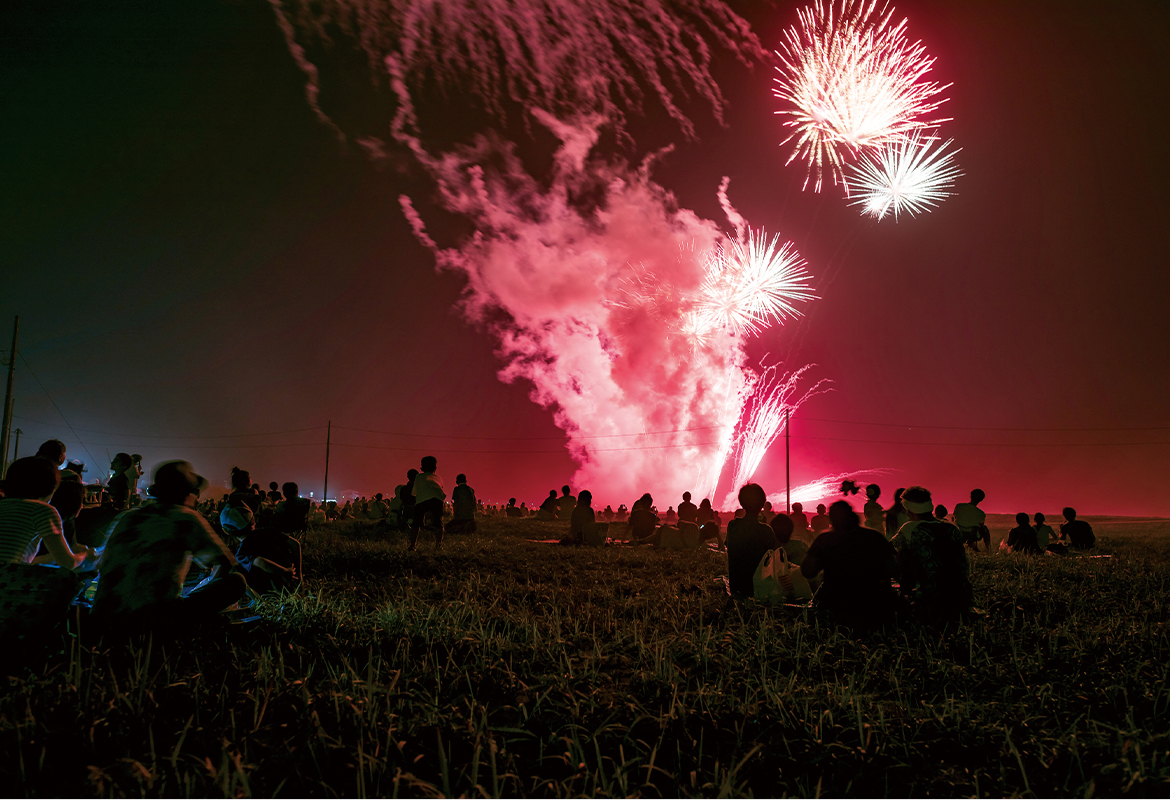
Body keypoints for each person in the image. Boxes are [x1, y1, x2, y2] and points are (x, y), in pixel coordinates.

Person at [92, 461, 245, 632]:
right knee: (236, 582)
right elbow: (226, 563)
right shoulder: (185, 517)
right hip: (149, 621)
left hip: (102, 618)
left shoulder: (127, 517)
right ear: (187, 494)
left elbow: (101, 565)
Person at [802, 501, 902, 632]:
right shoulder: (874, 537)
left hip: (838, 611)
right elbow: (894, 570)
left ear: (831, 519)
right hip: (877, 609)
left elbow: (807, 571)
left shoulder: (825, 540)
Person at [891, 486, 973, 623]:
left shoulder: (910, 528)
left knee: (901, 553)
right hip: (960, 595)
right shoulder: (952, 528)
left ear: (909, 509)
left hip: (928, 596)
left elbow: (888, 552)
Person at [0, 456, 91, 568]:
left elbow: (28, 560)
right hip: (8, 579)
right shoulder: (42, 510)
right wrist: (85, 555)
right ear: (51, 488)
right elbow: (68, 563)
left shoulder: (3, 504)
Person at [223, 504, 301, 595]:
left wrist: (285, 572)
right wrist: (298, 575)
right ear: (253, 520)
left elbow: (261, 562)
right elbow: (295, 544)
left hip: (273, 587)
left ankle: (257, 599)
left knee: (234, 568)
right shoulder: (269, 531)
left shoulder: (241, 553)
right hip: (291, 576)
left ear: (226, 531)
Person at [724, 483, 778, 598]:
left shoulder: (732, 526)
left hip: (737, 587)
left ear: (741, 503)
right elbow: (775, 555)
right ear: (762, 504)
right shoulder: (766, 531)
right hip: (758, 589)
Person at [410, 456, 446, 550]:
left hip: (423, 499)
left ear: (422, 467)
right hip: (438, 499)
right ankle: (438, 545)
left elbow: (414, 493)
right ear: (435, 467)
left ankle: (412, 545)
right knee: (439, 523)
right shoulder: (439, 478)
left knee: (416, 523)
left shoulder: (418, 477)